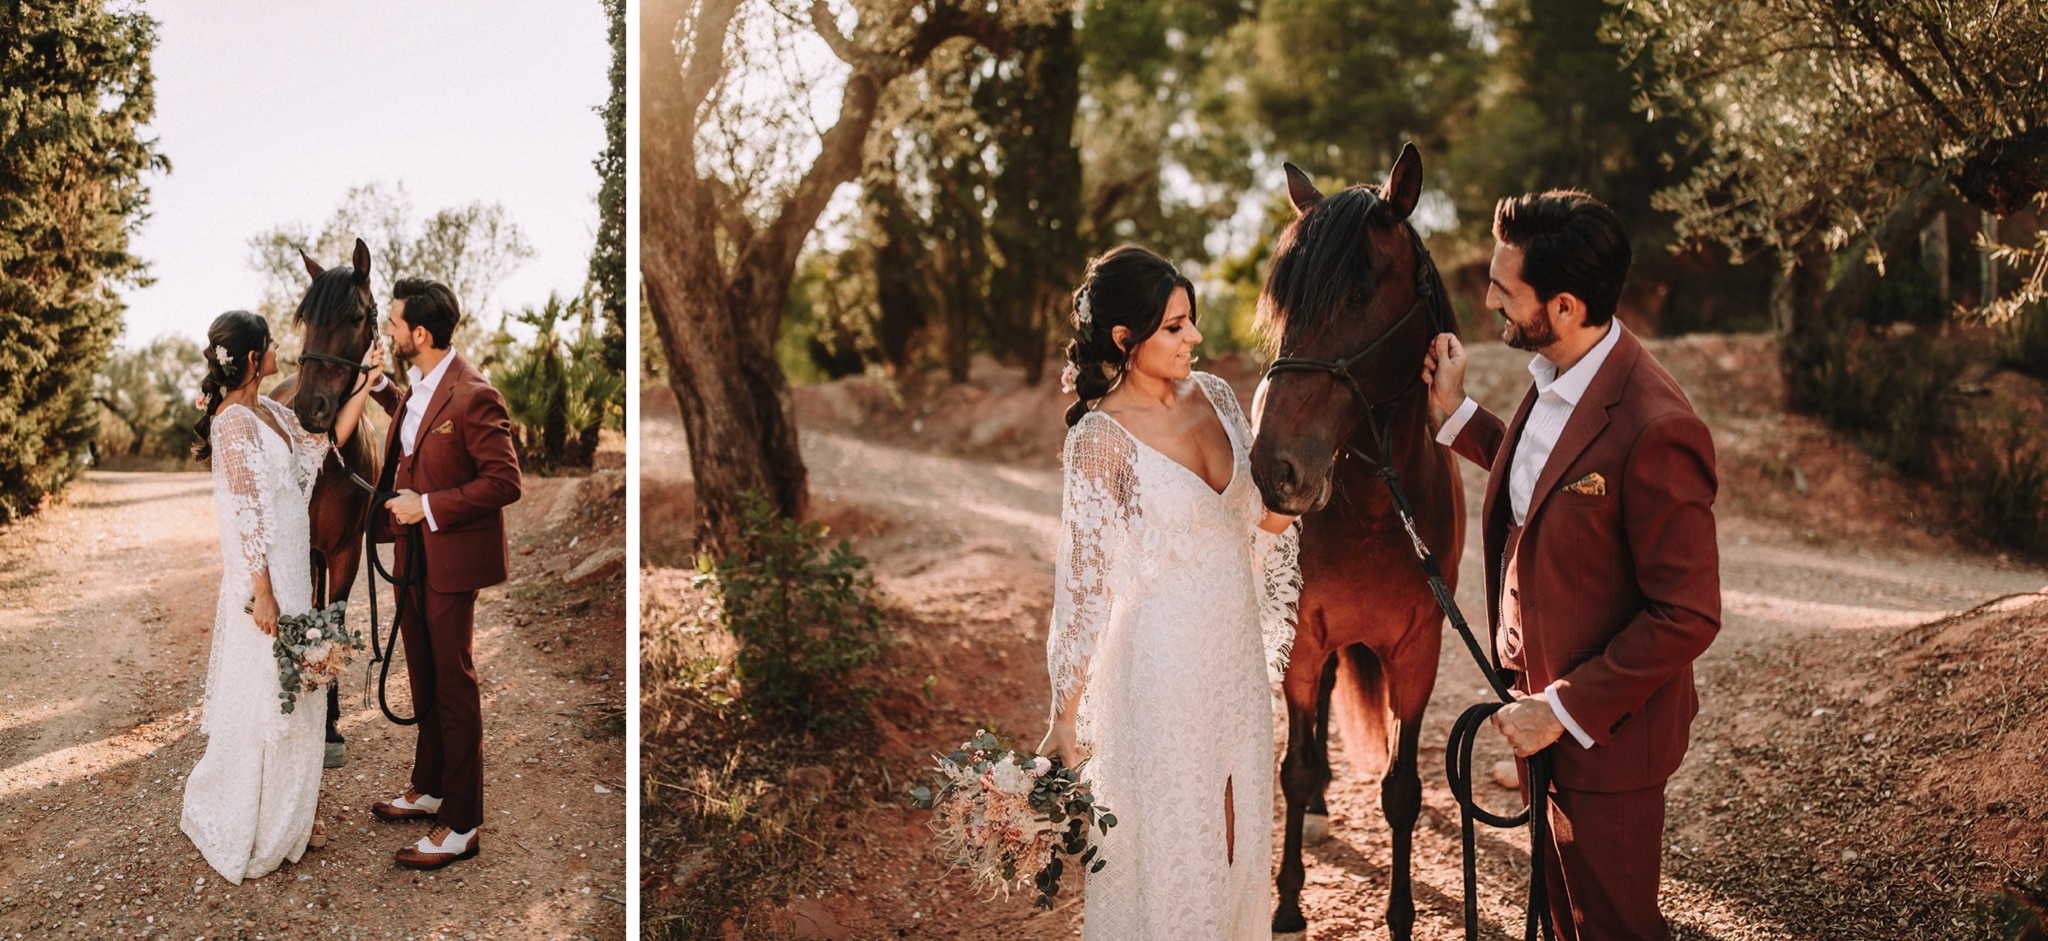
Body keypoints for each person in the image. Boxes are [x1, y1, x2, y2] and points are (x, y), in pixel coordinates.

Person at [1420, 190, 1721, 940]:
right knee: (1564, 921)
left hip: (1605, 739)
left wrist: (1558, 709)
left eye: (1504, 289)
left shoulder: (1659, 424)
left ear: (1560, 306)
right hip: (1544, 724)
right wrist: (1458, 417)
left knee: (1612, 926)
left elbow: (1688, 614)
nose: (1486, 298)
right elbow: (1545, 480)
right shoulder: (1558, 378)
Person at [1037, 245, 1300, 939]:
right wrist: (1065, 716)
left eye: (1191, 322)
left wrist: (1300, 496)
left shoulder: (1214, 394)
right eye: (1175, 327)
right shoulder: (1099, 440)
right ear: (1126, 339)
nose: (1195, 338)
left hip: (1233, 655)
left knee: (1241, 830)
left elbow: (1255, 526)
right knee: (1179, 840)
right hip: (1160, 667)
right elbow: (1084, 588)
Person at [182, 309, 382, 883]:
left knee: (301, 687)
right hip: (267, 579)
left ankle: (296, 810)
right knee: (273, 691)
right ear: (251, 360)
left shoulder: (270, 410)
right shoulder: (232, 424)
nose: (280, 351)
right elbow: (245, 517)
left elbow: (326, 439)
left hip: (295, 566)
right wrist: (263, 593)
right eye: (271, 344)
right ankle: (264, 814)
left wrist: (366, 378)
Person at [363, 278, 521, 870]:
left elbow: (505, 482)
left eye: (396, 325)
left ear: (420, 334)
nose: (391, 332)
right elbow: (413, 424)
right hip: (413, 556)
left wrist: (425, 506)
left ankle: (462, 822)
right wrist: (379, 386)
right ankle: (429, 787)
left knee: (453, 683)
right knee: (423, 674)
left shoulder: (475, 393)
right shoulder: (422, 384)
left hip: (451, 556)